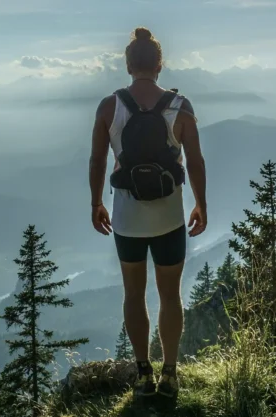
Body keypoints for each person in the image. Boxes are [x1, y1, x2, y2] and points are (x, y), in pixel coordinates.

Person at [88, 26, 207, 399]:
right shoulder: (180, 107)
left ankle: (143, 375)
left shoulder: (110, 107)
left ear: (127, 65)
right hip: (170, 216)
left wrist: (96, 202)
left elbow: (97, 158)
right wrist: (201, 203)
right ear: (160, 65)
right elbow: (195, 160)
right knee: (170, 296)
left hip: (127, 217)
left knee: (133, 294)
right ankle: (170, 374)